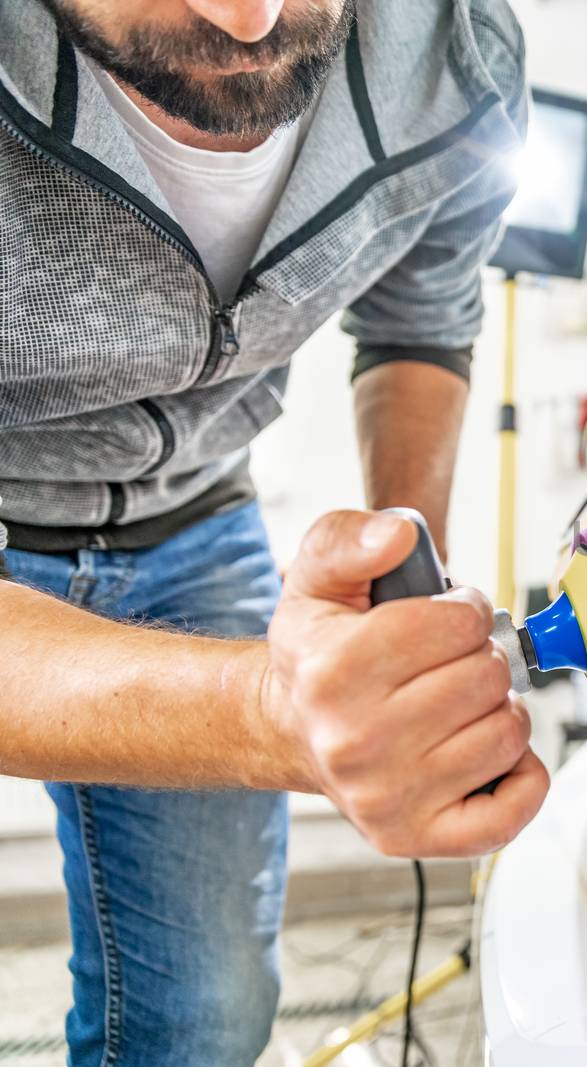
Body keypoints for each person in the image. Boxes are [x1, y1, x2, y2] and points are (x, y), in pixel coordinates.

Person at [0, 1, 544, 1063]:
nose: (249, 17)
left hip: (196, 518)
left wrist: (402, 583)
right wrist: (264, 711)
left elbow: (422, 321)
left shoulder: (457, 59)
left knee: (208, 1014)